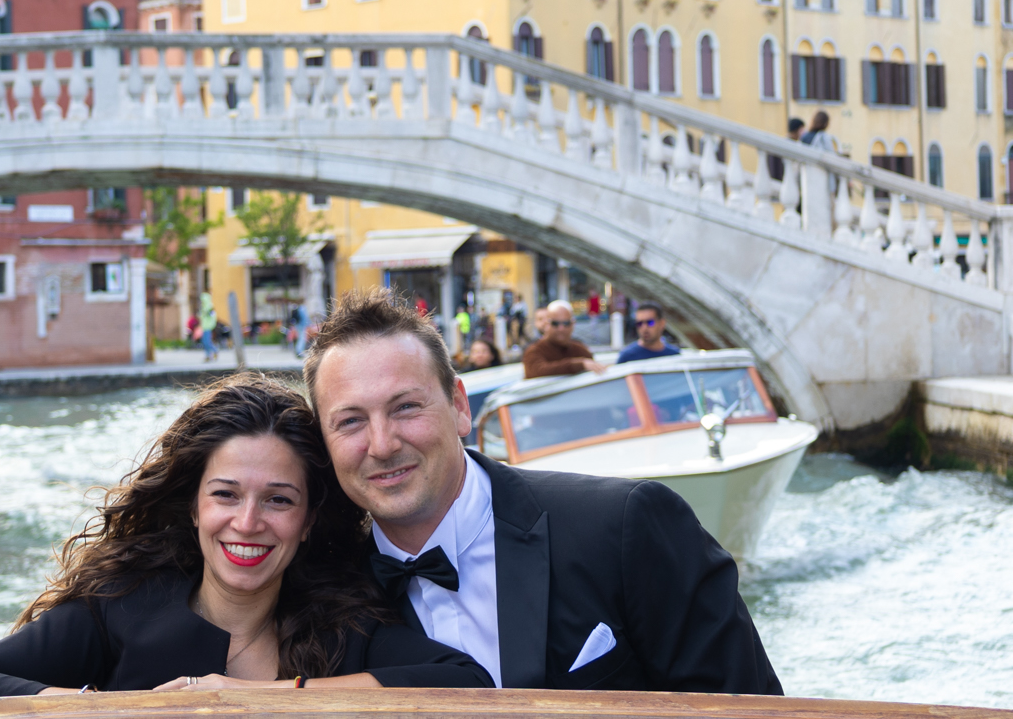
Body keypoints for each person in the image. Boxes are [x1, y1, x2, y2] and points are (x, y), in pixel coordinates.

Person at [303, 289, 783, 694]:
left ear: (459, 407)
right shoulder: (319, 593)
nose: (383, 444)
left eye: (406, 407)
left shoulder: (624, 528)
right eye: (350, 422)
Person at [0, 372, 492, 698]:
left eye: (279, 500)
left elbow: (465, 683)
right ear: (195, 508)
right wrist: (112, 714)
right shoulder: (119, 609)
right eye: (226, 494)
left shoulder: (342, 627)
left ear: (308, 521)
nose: (248, 523)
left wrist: (267, 701)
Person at [519, 300, 606, 378]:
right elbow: (537, 370)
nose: (561, 328)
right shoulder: (534, 350)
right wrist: (579, 364)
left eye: (566, 323)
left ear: (572, 324)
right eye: (555, 323)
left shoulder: (580, 350)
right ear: (547, 324)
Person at [615, 299, 681, 364]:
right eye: (639, 323)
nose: (644, 328)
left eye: (650, 322)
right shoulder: (627, 357)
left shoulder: (674, 355)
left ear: (662, 323)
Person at [197, 291, 220, 363]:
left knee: (207, 342)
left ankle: (214, 351)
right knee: (204, 342)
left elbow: (213, 316)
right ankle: (208, 355)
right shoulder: (203, 307)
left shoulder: (209, 307)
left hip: (208, 327)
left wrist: (211, 325)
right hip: (204, 326)